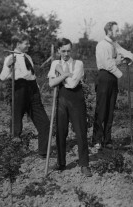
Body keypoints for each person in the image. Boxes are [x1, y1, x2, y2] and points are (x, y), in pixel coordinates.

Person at [0, 34, 49, 159]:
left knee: (44, 122)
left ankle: (43, 152)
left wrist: (37, 89)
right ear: (18, 44)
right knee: (16, 123)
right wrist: (8, 65)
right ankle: (13, 153)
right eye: (26, 43)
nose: (29, 45)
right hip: (19, 89)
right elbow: (3, 77)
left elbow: (32, 75)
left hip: (33, 90)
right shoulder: (10, 58)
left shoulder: (28, 57)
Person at [48, 38, 91, 177]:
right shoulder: (55, 63)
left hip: (76, 98)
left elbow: (72, 84)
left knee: (81, 131)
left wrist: (61, 74)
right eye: (63, 51)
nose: (66, 54)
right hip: (61, 98)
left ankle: (84, 164)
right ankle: (61, 162)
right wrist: (66, 74)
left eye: (68, 50)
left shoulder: (79, 63)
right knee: (61, 131)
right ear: (59, 50)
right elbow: (51, 83)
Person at [92, 21, 133, 149]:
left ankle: (107, 140)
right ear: (109, 31)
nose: (118, 33)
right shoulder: (102, 45)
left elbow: (128, 54)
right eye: (116, 31)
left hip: (112, 78)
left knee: (110, 110)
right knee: (101, 109)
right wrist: (118, 63)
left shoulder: (114, 44)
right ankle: (96, 140)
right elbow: (108, 64)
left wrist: (126, 58)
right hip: (104, 77)